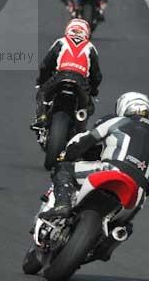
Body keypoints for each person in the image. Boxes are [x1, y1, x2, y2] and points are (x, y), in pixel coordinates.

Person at [41, 92, 149, 259]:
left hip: (111, 169)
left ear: (124, 106)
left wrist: (67, 154)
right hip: (138, 192)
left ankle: (62, 204)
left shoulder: (117, 120)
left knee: (64, 169)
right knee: (123, 226)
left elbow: (87, 140)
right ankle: (107, 244)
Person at [31, 19, 102, 129]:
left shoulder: (61, 42)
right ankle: (80, 128)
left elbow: (45, 65)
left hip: (60, 77)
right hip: (81, 82)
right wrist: (93, 90)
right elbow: (96, 75)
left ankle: (42, 117)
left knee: (42, 93)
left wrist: (41, 81)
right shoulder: (91, 47)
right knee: (90, 106)